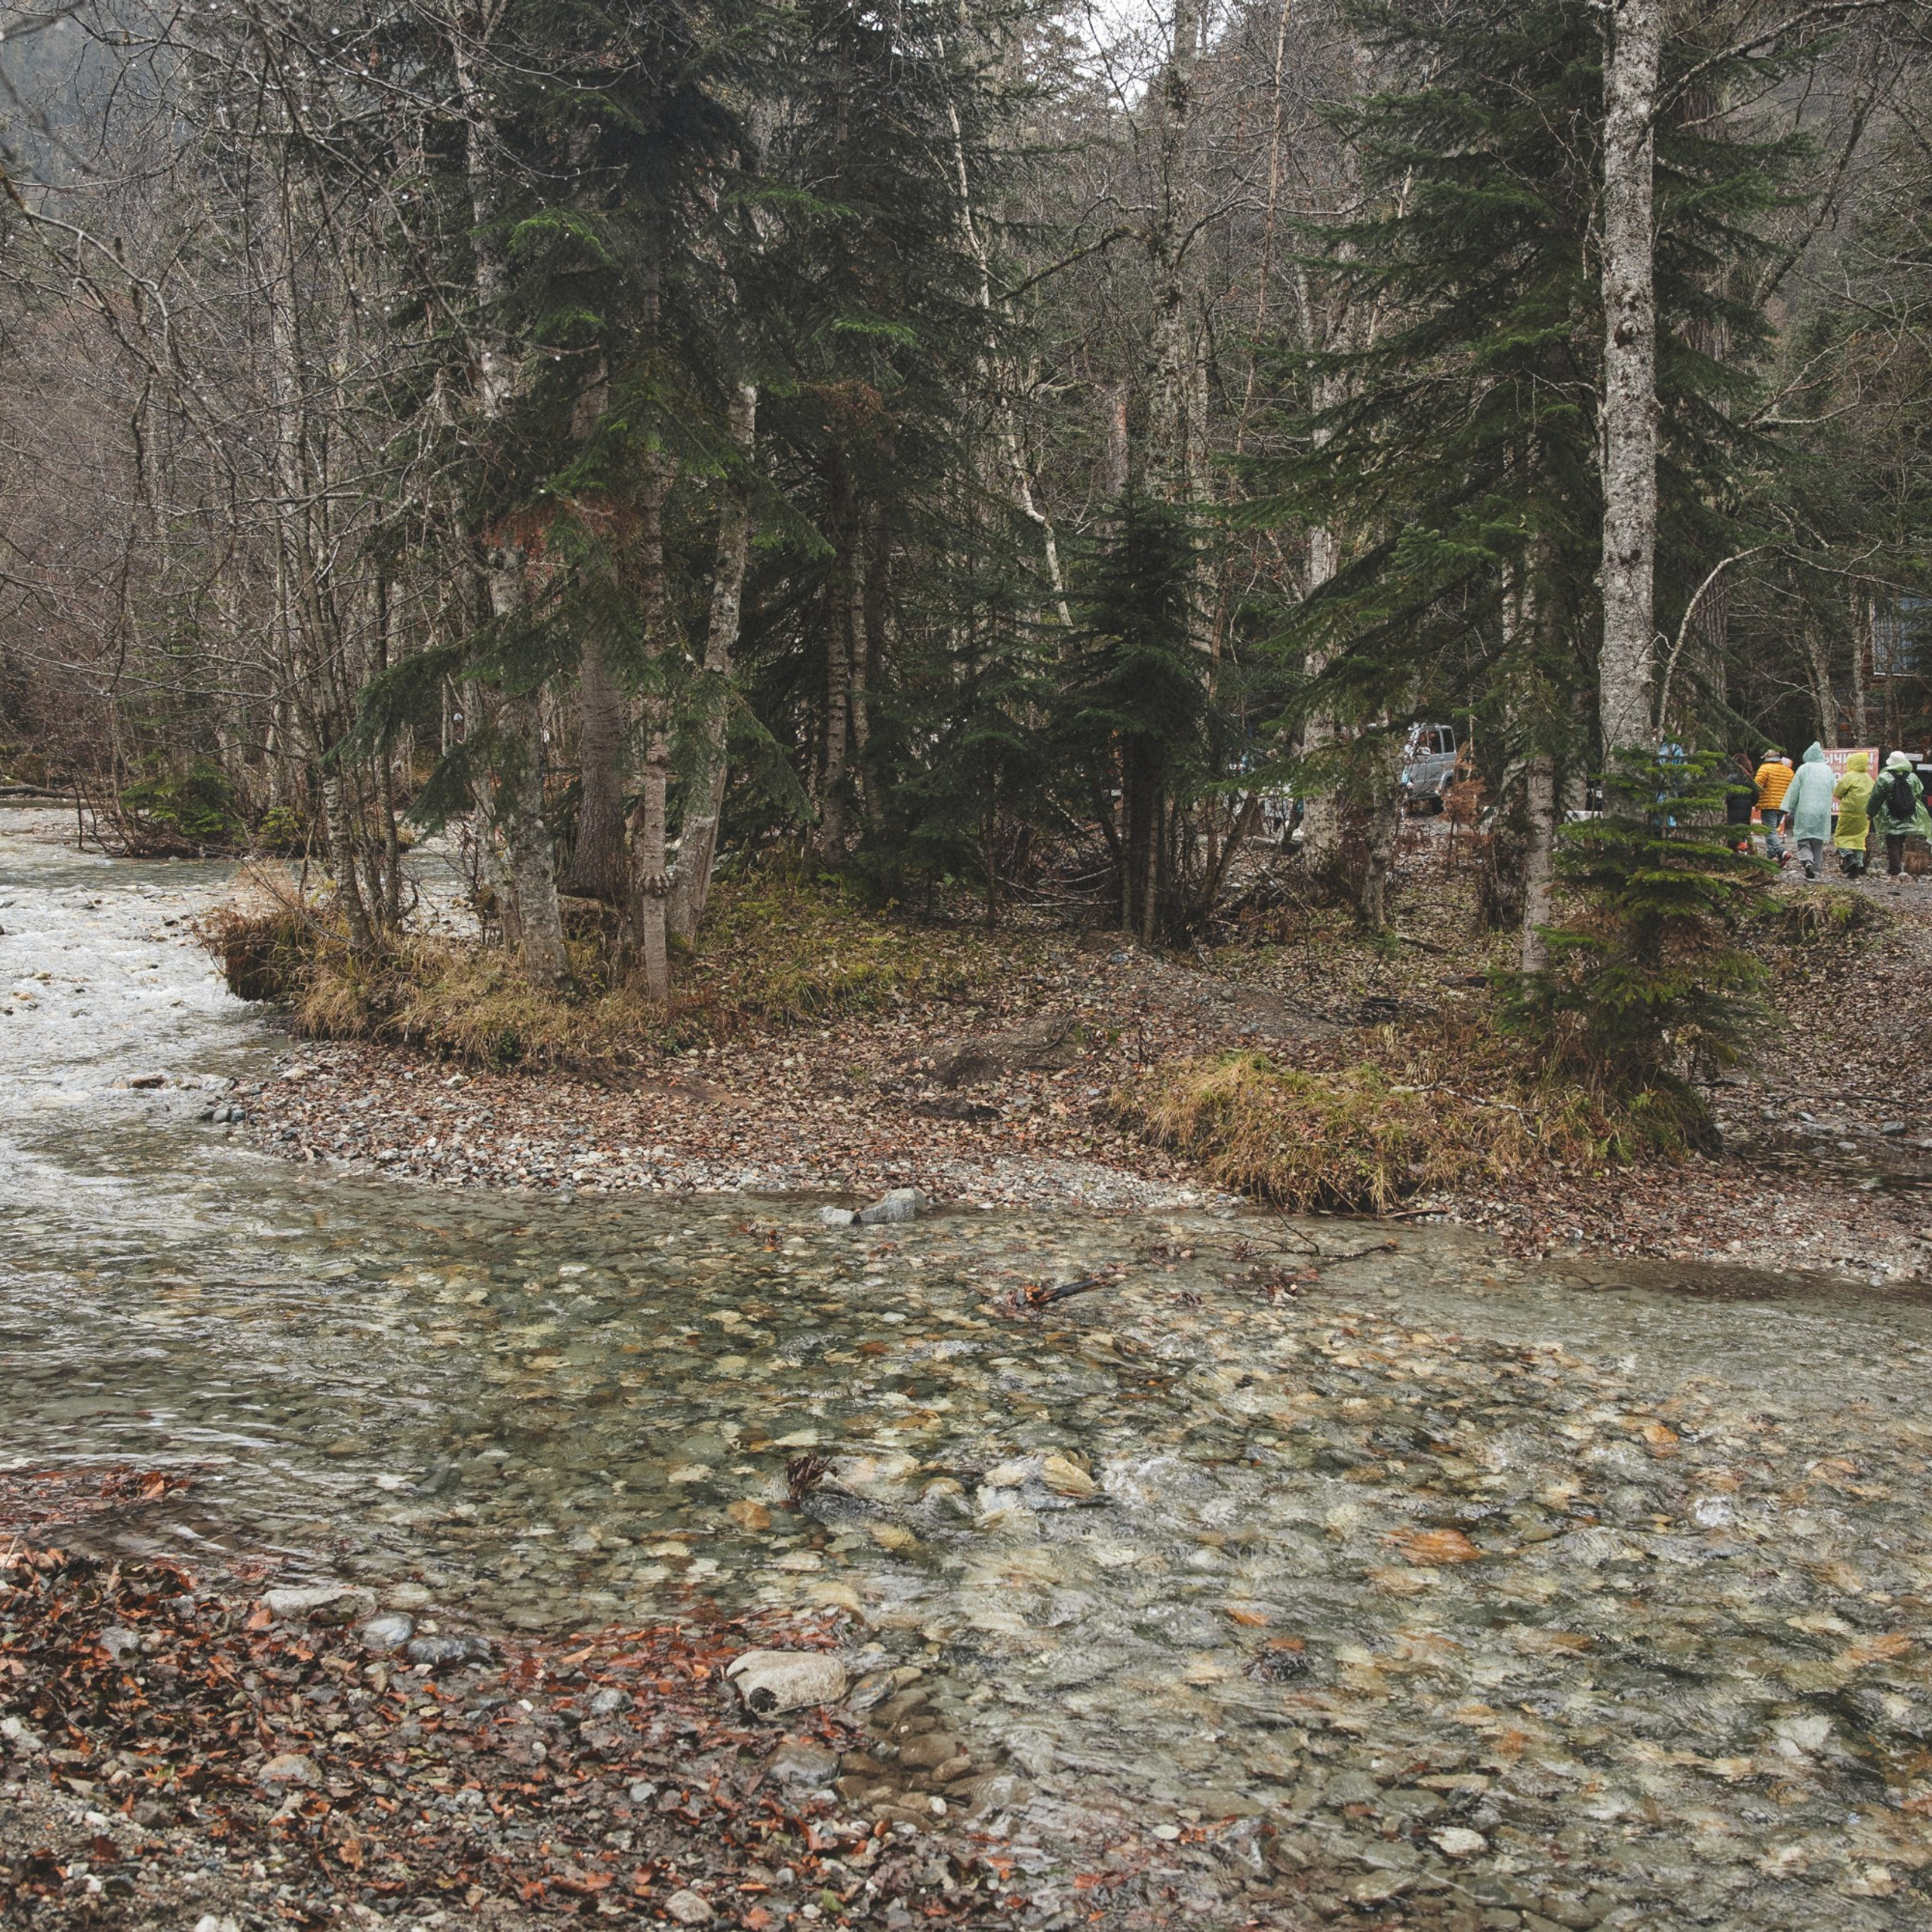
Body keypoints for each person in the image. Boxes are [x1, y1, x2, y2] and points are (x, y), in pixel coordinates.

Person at [1869, 749, 1930, 879]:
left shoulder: (1884, 777)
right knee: (1901, 841)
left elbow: (1876, 798)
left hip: (1889, 816)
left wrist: (1870, 813)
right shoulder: (1913, 777)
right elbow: (1918, 794)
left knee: (1892, 843)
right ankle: (1898, 870)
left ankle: (1894, 874)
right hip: (1907, 815)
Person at [1780, 742, 1835, 879]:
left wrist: (1787, 807)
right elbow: (1835, 789)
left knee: (1803, 838)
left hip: (1805, 810)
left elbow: (1794, 790)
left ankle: (1807, 862)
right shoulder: (1828, 770)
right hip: (1822, 811)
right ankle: (1816, 870)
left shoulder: (1804, 769)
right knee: (1817, 840)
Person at [1832, 749, 1875, 877]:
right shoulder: (1869, 778)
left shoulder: (1849, 776)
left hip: (1849, 813)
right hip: (1865, 814)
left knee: (1840, 837)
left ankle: (1848, 857)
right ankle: (1858, 867)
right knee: (1859, 840)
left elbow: (1838, 793)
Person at [1753, 747, 1793, 865]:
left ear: (1767, 758)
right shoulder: (1788, 771)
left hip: (1769, 805)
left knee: (1769, 832)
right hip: (1783, 806)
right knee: (1772, 832)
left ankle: (1782, 852)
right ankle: (1773, 857)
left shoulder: (1765, 768)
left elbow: (1756, 786)